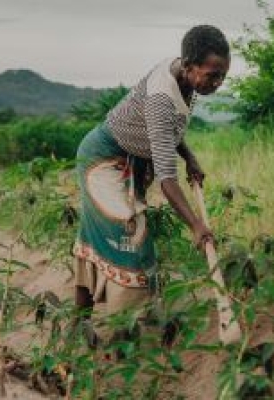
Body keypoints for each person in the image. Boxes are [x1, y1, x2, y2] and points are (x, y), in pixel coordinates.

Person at [72, 25, 230, 347]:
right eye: (212, 75)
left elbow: (172, 129)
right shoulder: (161, 96)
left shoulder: (184, 78)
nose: (217, 83)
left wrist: (190, 156)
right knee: (132, 236)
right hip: (103, 161)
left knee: (96, 237)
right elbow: (167, 180)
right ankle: (119, 337)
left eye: (222, 76)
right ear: (188, 65)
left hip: (131, 161)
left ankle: (95, 325)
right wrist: (197, 226)